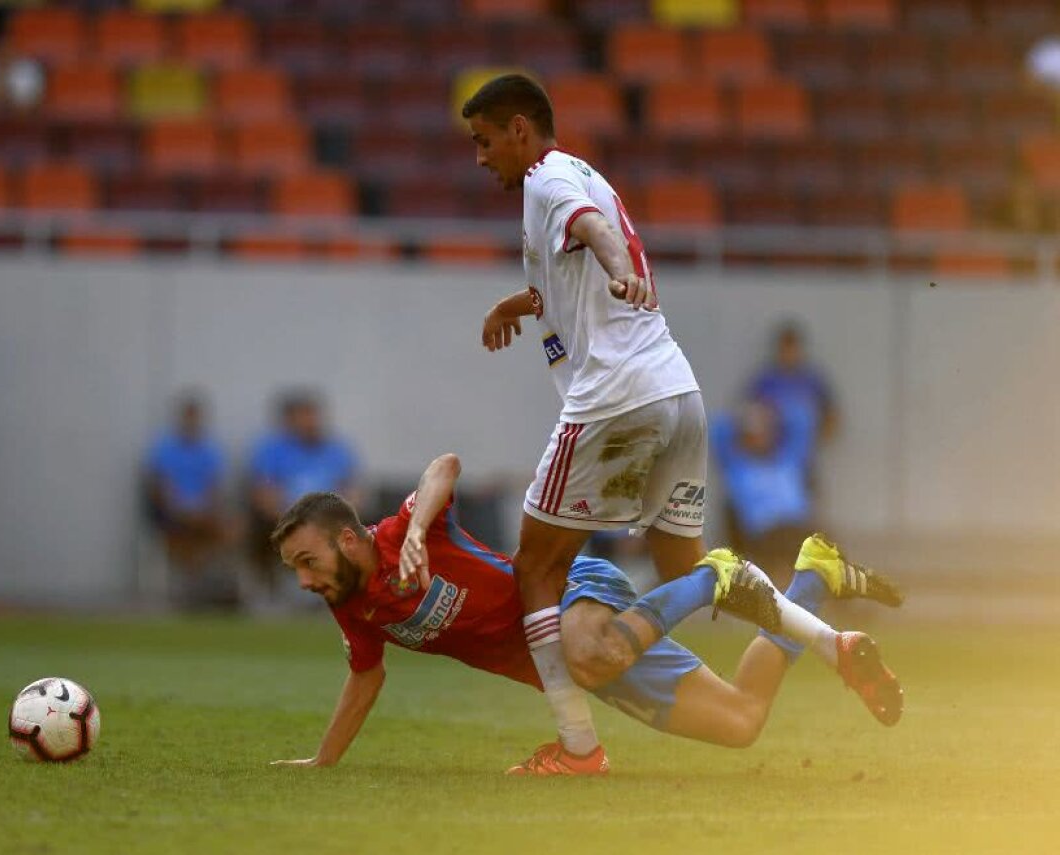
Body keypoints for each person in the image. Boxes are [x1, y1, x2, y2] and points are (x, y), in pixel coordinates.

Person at [269, 453, 903, 774]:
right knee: (741, 720)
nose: (304, 579)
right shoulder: (354, 606)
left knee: (592, 654)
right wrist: (324, 762)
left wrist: (416, 532)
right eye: (296, 569)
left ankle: (716, 576)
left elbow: (444, 467)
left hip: (571, 594)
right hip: (582, 663)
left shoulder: (399, 538)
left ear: (346, 539)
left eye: (307, 560)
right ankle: (814, 575)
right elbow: (365, 678)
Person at [463, 74, 710, 770]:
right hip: (677, 391)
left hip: (614, 400)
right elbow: (559, 282)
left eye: (484, 142)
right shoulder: (581, 175)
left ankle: (578, 747)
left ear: (519, 129)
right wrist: (513, 306)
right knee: (686, 568)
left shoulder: (546, 178)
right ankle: (808, 621)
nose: (480, 158)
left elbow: (595, 235)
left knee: (537, 565)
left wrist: (620, 269)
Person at [247, 391, 362, 604]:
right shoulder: (272, 450)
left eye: (313, 415)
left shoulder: (337, 449)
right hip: (284, 519)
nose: (309, 421)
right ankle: (277, 596)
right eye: (304, 416)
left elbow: (353, 490)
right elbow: (263, 493)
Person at [144, 392, 237, 607]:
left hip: (203, 514)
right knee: (183, 536)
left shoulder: (209, 450)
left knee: (232, 530)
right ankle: (190, 590)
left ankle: (218, 587)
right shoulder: (164, 448)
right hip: (172, 513)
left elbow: (214, 488)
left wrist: (205, 511)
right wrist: (182, 511)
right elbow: (158, 488)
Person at [713, 397, 817, 585]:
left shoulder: (788, 458)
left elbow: (803, 419)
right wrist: (744, 415)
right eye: (752, 434)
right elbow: (718, 428)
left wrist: (771, 414)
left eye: (763, 432)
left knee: (826, 547)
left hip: (800, 529)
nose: (758, 438)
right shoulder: (737, 465)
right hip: (765, 536)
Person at [745, 322, 839, 447]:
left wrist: (817, 436)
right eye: (784, 349)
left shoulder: (812, 380)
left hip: (803, 449)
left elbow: (831, 412)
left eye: (792, 349)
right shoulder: (766, 381)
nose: (788, 354)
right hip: (772, 449)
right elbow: (749, 413)